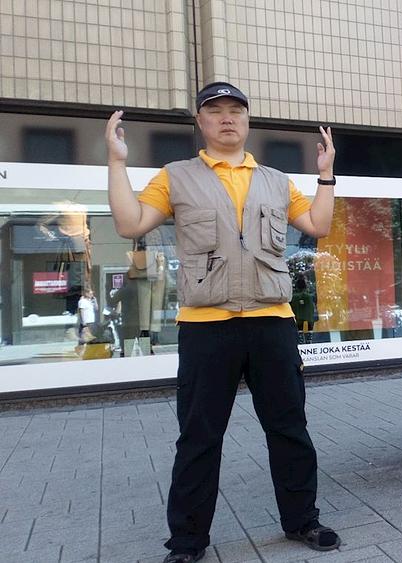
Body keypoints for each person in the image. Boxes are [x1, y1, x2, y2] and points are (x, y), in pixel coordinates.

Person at [105, 82, 340, 563]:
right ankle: (188, 542)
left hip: (272, 322)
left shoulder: (276, 180)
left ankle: (302, 521)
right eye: (216, 111)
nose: (227, 118)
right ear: (201, 121)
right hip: (205, 326)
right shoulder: (176, 176)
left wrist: (326, 176)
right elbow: (130, 224)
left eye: (236, 110)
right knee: (199, 437)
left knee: (289, 428)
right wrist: (116, 161)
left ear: (248, 121)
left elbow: (318, 226)